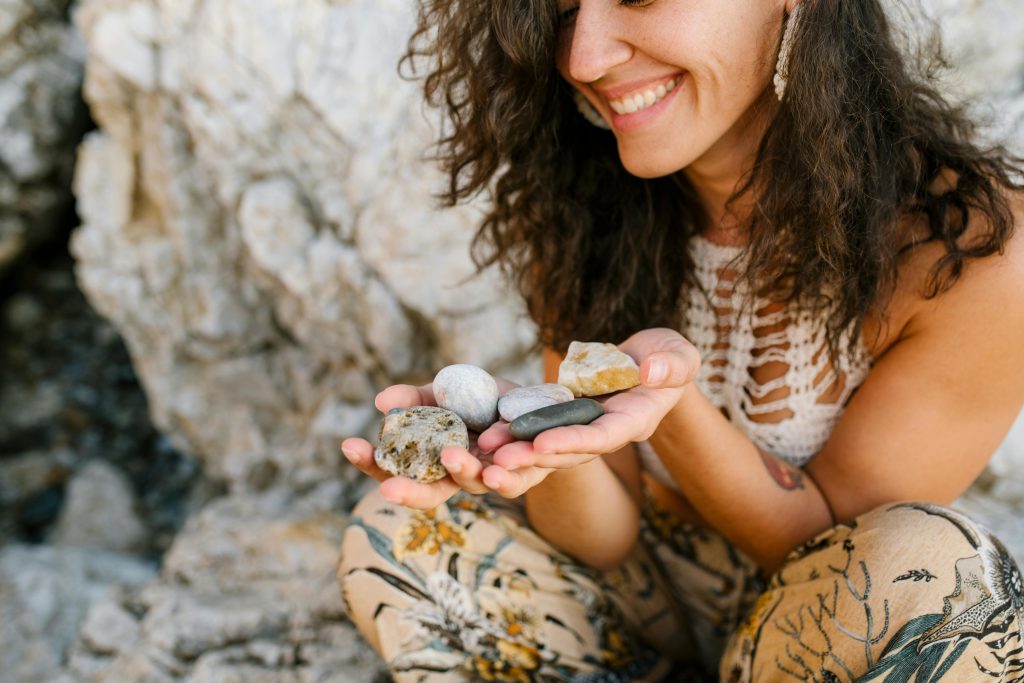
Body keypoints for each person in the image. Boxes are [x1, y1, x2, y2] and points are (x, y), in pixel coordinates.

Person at [337, 0, 1024, 680]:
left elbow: (824, 545)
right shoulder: (582, 195)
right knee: (394, 532)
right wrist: (546, 445)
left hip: (818, 633)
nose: (584, 57)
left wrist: (666, 399)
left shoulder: (974, 253)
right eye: (565, 9)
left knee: (940, 583)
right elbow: (603, 542)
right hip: (641, 611)